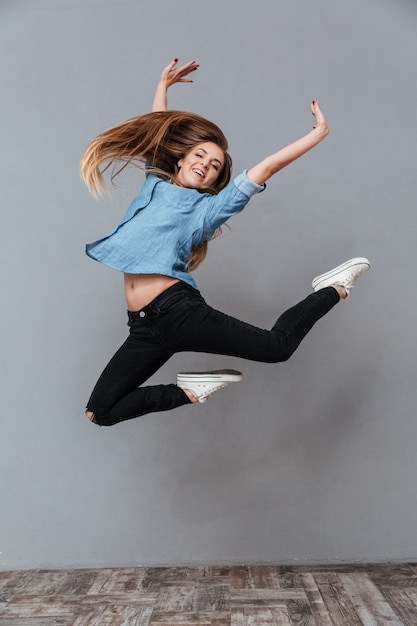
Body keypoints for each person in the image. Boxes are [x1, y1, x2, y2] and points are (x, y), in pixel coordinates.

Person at [81, 58, 370, 427]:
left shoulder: (208, 209)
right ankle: (190, 392)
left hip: (176, 311)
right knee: (99, 412)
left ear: (215, 180)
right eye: (200, 155)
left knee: (277, 347)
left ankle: (333, 288)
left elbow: (266, 167)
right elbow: (158, 128)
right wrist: (162, 86)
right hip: (143, 326)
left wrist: (317, 135)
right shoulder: (155, 182)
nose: (205, 164)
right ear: (181, 159)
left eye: (215, 165)